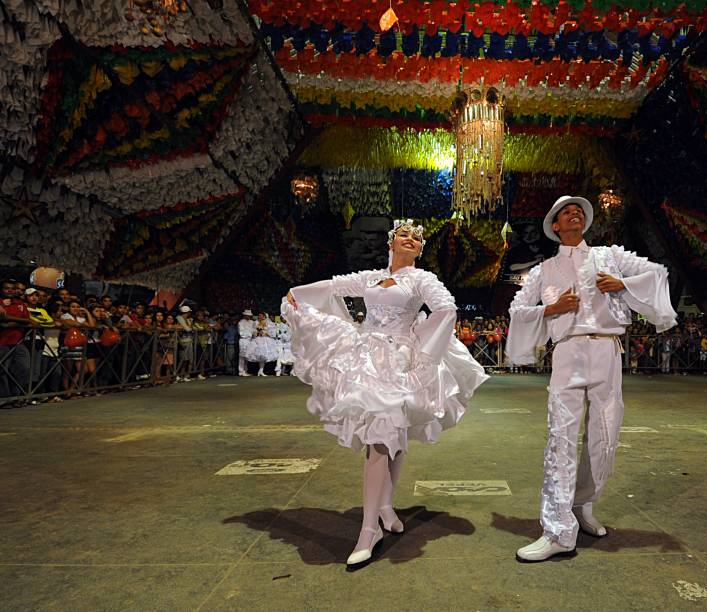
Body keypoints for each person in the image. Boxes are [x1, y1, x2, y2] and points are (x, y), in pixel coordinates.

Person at [282, 219, 488, 569]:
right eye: (404, 235)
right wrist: (298, 293)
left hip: (401, 361)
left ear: (420, 250)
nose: (411, 239)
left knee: (393, 435)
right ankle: (374, 521)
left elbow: (446, 309)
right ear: (391, 243)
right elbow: (333, 287)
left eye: (417, 238)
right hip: (367, 360)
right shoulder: (371, 277)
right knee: (382, 437)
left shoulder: (422, 279)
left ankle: (377, 518)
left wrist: (421, 345)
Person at [506, 196, 676, 562]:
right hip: (568, 351)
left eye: (579, 211)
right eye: (567, 211)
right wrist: (550, 310)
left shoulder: (609, 256)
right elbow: (517, 310)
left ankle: (582, 504)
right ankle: (556, 529)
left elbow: (658, 273)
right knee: (561, 437)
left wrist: (623, 286)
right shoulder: (544, 270)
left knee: (605, 433)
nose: (575, 213)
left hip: (607, 349)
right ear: (555, 226)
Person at [244, 312, 277, 377]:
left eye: (260, 315)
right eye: (259, 315)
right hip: (258, 339)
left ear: (264, 316)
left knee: (263, 355)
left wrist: (265, 333)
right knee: (258, 355)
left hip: (265, 340)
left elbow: (272, 332)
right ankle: (258, 370)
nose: (259, 317)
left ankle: (261, 370)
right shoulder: (256, 322)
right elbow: (253, 331)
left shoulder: (268, 323)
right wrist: (257, 332)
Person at [237, 310, 255, 377]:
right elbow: (241, 333)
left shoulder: (252, 322)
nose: (248, 316)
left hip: (250, 340)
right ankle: (241, 371)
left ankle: (245, 370)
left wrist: (253, 333)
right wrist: (250, 334)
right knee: (242, 356)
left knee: (247, 356)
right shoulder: (241, 322)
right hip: (243, 340)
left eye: (249, 315)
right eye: (247, 315)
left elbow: (253, 330)